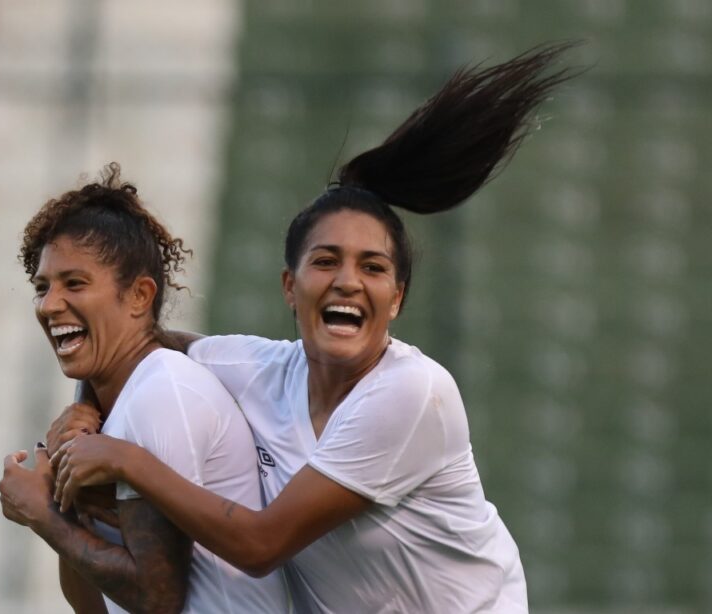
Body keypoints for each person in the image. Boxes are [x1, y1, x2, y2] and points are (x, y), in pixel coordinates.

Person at [44, 43, 581, 613]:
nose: (348, 281)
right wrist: (83, 418)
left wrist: (121, 460)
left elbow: (261, 543)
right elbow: (133, 349)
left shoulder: (412, 393)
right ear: (289, 287)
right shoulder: (254, 370)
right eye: (325, 261)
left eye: (373, 268)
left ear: (396, 298)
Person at [0, 166, 290, 613]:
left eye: (74, 283)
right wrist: (64, 497)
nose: (50, 305)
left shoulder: (163, 390)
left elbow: (158, 599)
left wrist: (44, 515)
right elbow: (93, 605)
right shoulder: (111, 409)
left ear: (139, 296)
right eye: (42, 287)